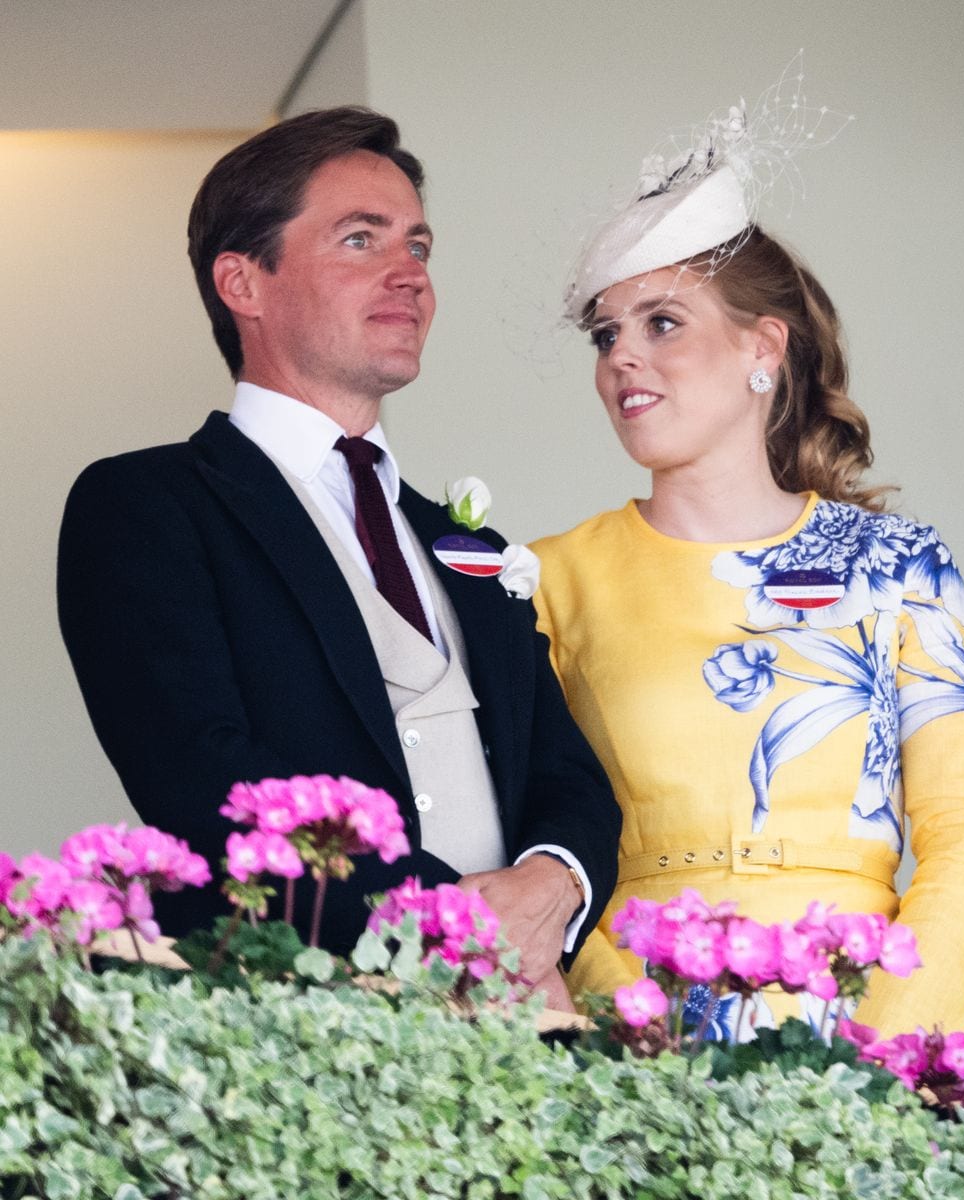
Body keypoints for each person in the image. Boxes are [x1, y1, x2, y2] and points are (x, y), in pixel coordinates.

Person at [57, 106, 620, 1009]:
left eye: (418, 246)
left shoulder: (466, 546)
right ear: (242, 282)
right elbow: (199, 779)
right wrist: (459, 926)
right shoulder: (147, 506)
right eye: (361, 239)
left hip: (525, 1026)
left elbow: (565, 776)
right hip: (296, 1021)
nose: (410, 273)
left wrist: (553, 887)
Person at [531, 83, 964, 1036]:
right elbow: (527, 835)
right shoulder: (549, 578)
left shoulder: (899, 567)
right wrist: (616, 1040)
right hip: (633, 1040)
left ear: (763, 347)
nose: (621, 357)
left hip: (860, 1027)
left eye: (661, 322)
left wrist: (880, 1057)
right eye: (606, 334)